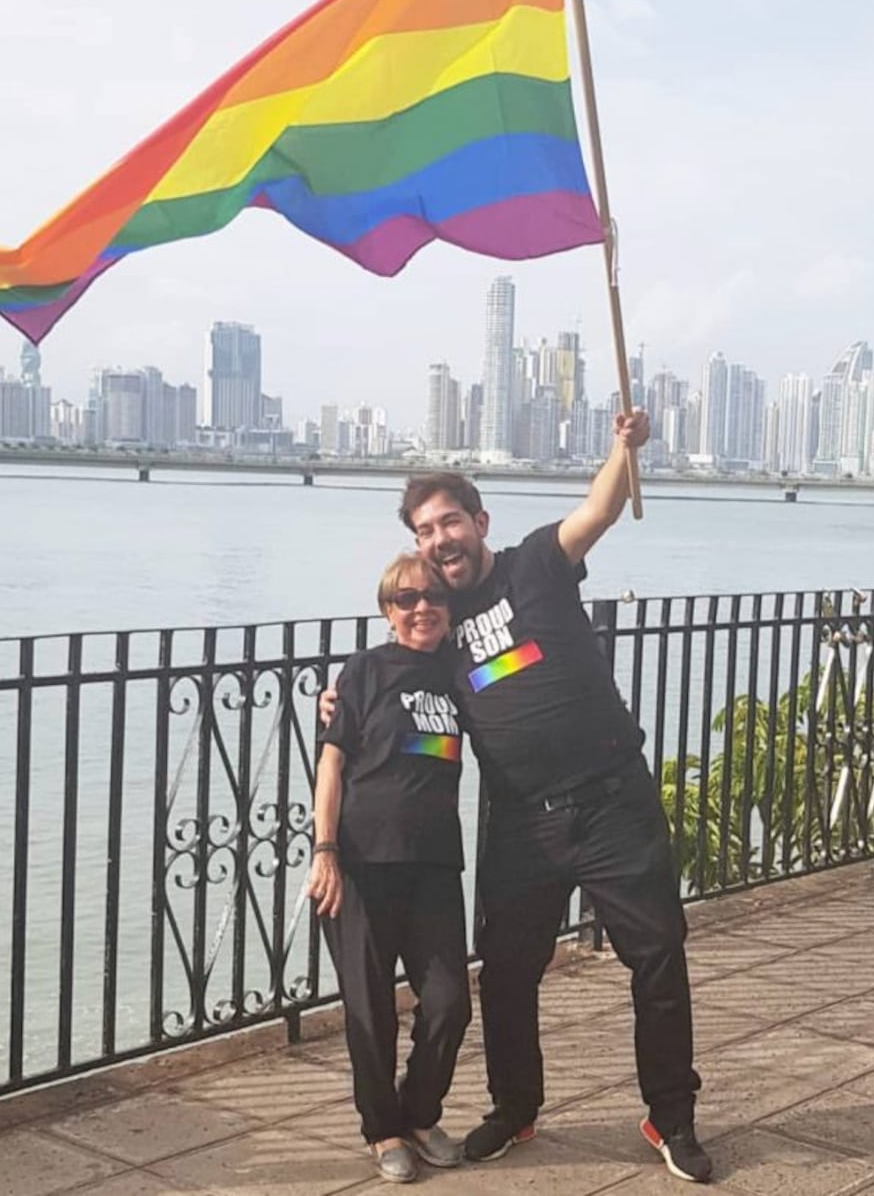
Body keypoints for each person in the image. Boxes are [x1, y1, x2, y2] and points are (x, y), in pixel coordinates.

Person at [321, 410, 710, 1184]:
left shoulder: (535, 563)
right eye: (425, 531)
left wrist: (623, 449)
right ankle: (515, 1105)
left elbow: (598, 508)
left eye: (449, 521)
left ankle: (671, 1115)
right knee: (504, 972)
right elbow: (391, 684)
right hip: (523, 820)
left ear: (479, 521)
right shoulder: (439, 620)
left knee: (658, 956)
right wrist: (338, 706)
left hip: (611, 802)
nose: (439, 539)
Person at [308, 552, 471, 1184]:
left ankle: (419, 1111)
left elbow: (519, 692)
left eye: (432, 595)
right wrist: (325, 851)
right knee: (369, 1011)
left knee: (450, 1002)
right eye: (406, 599)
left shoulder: (463, 676)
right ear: (388, 611)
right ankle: (382, 1129)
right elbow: (333, 763)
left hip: (433, 865)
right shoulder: (365, 670)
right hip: (361, 863)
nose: (421, 607)